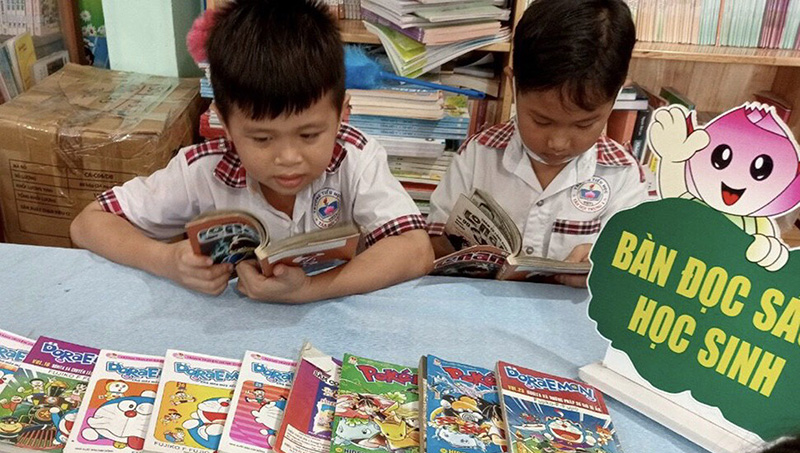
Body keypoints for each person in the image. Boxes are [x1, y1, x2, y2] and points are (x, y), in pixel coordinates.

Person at [70, 0, 433, 303]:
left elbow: (416, 250)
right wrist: (164, 259)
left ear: (343, 116)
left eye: (309, 135)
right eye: (262, 139)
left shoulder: (357, 159)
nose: (288, 157)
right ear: (224, 125)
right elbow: (88, 224)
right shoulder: (202, 170)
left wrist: (310, 289)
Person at [426, 0, 648, 287]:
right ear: (513, 85)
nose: (557, 142)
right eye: (541, 121)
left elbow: (635, 275)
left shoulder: (624, 176)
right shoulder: (479, 155)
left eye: (584, 124)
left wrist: (603, 268)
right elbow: (434, 244)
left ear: (617, 96)